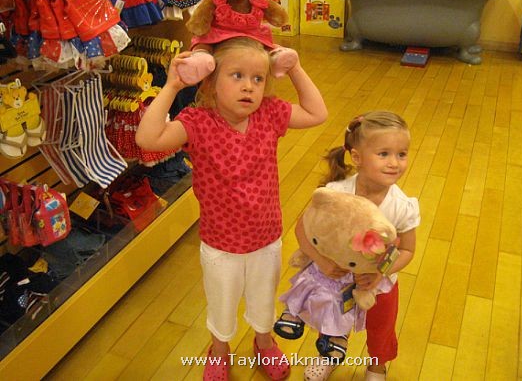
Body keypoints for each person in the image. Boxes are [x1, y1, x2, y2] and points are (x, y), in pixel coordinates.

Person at [135, 36, 327, 381]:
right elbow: (148, 140)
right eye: (237, 75)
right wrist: (172, 85)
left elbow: (317, 113)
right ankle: (219, 350)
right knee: (221, 303)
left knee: (263, 299)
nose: (249, 86)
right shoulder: (197, 122)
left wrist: (295, 68)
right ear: (210, 81)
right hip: (220, 243)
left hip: (265, 237)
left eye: (258, 78)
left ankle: (264, 342)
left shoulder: (269, 114)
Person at [275, 111, 419, 381]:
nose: (394, 163)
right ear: (356, 157)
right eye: (384, 154)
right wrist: (321, 262)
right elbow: (302, 228)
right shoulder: (336, 193)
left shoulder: (402, 206)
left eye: (402, 154)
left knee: (381, 328)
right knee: (329, 320)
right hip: (334, 278)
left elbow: (408, 250)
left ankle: (377, 366)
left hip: (377, 284)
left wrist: (380, 273)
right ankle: (328, 356)